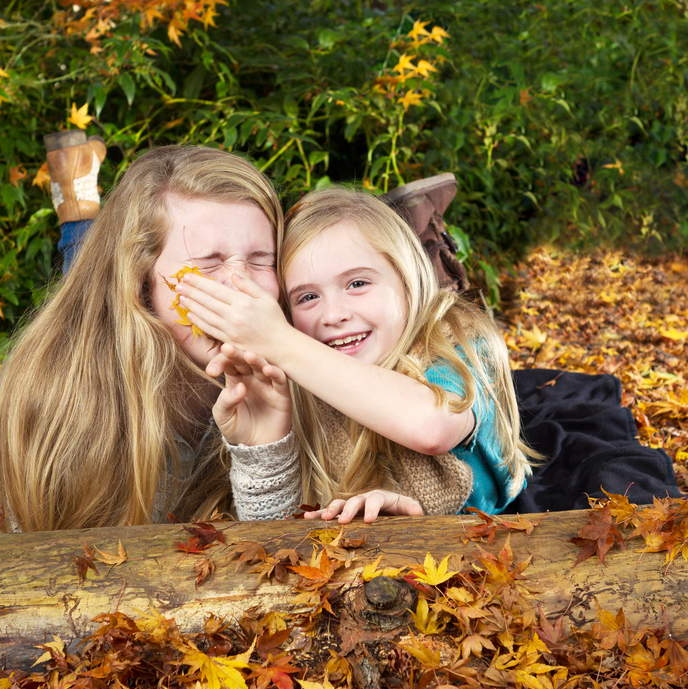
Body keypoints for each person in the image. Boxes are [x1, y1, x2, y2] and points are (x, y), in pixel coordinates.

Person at [0, 129, 309, 533]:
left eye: (260, 260)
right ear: (141, 279)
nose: (240, 286)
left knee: (98, 280)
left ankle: (79, 199)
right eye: (207, 264)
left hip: (78, 366)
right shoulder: (55, 419)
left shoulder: (285, 368)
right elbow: (0, 553)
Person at [175, 186, 537, 524]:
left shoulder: (455, 340)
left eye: (357, 284)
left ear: (408, 281)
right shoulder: (302, 379)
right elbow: (281, 526)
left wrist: (277, 340)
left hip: (481, 537)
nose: (334, 315)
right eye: (307, 297)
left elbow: (432, 425)